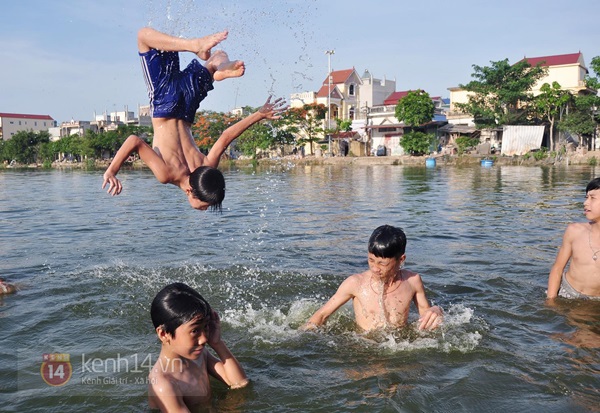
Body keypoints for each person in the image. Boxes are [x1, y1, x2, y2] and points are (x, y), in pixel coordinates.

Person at [102, 27, 286, 211]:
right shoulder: (166, 174)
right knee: (143, 36)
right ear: (190, 191)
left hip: (188, 104)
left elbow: (226, 136)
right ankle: (195, 46)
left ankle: (220, 68)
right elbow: (134, 141)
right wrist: (112, 170)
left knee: (216, 55)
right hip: (165, 102)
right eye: (204, 205)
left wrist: (259, 114)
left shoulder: (206, 167)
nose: (204, 210)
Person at [301, 225, 443, 332]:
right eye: (371, 260)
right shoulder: (355, 283)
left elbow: (426, 319)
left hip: (398, 344)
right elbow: (322, 315)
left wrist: (436, 311)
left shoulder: (413, 281)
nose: (375, 268)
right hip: (364, 345)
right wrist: (300, 337)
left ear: (401, 259)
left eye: (382, 263)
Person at [148, 282, 248, 412]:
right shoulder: (164, 384)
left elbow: (240, 383)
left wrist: (217, 343)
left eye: (205, 326)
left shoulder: (200, 355)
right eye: (195, 331)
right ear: (163, 334)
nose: (204, 338)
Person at [547, 178, 600, 300]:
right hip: (568, 292)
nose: (585, 203)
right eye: (586, 197)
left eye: (592, 198)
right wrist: (551, 300)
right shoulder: (574, 231)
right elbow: (557, 268)